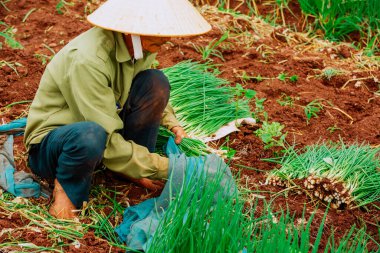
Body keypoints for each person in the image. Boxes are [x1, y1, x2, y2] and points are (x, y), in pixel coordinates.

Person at [24, 0, 211, 219]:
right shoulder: (88, 59)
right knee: (91, 135)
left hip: (101, 124)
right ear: (133, 29)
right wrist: (168, 167)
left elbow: (144, 87)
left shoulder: (140, 45)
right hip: (58, 146)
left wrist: (171, 121)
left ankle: (130, 168)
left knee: (155, 82)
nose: (166, 39)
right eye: (157, 33)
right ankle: (66, 189)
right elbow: (106, 139)